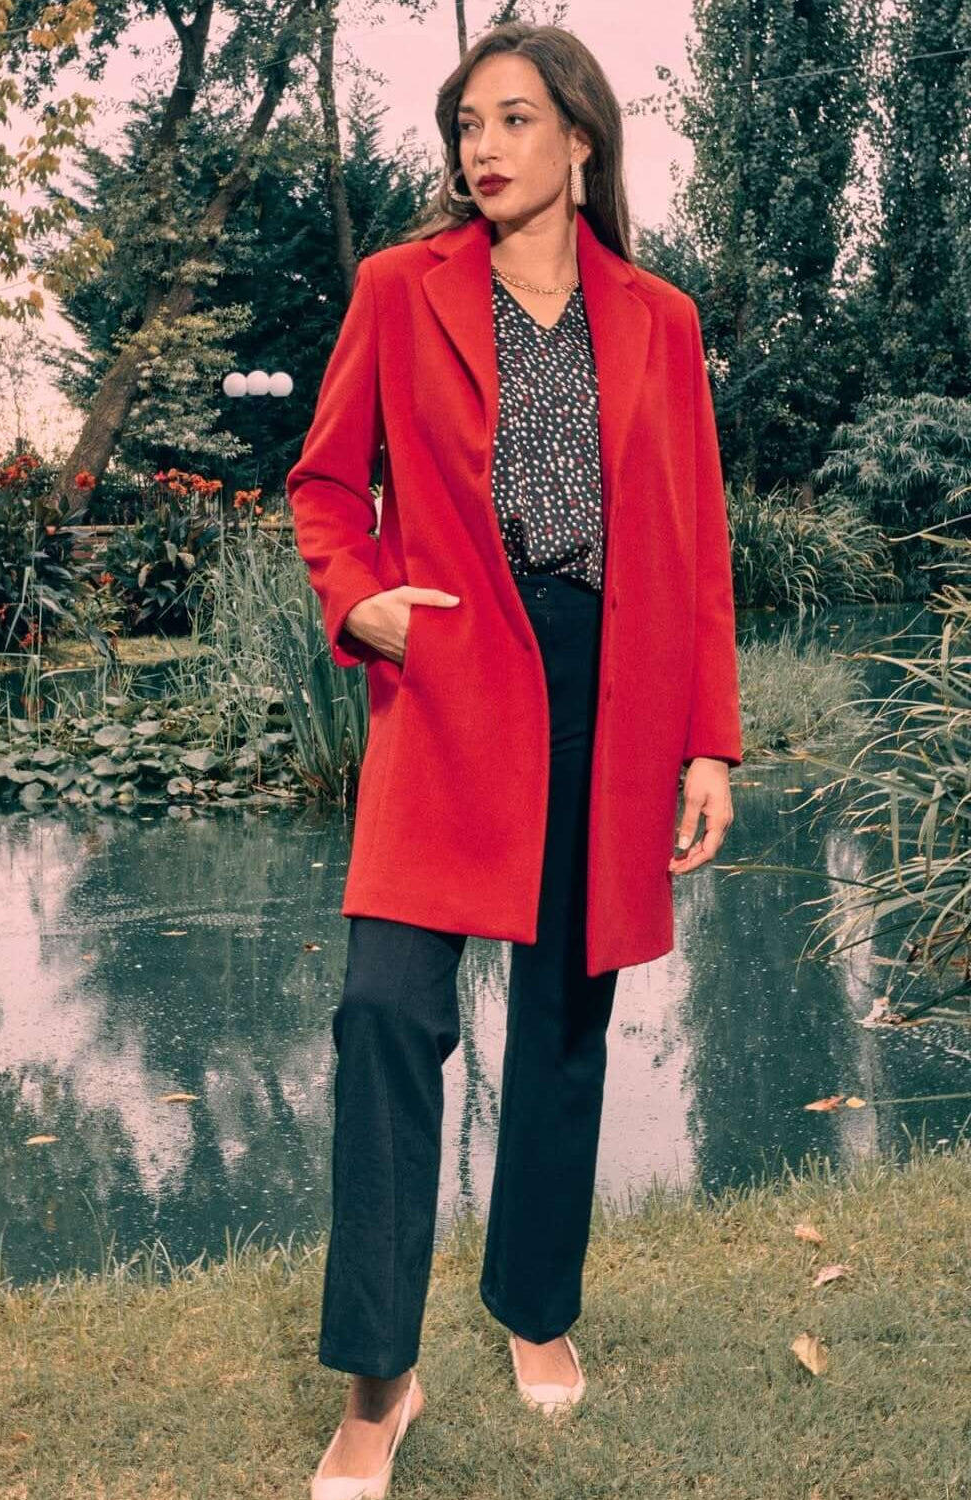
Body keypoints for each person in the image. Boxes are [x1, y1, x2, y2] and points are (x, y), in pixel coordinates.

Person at [285, 20, 742, 1499]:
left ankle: (536, 1305)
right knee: (383, 1009)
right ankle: (379, 1380)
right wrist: (359, 601)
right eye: (466, 124)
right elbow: (323, 484)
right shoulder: (399, 288)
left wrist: (709, 741)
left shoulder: (660, 319)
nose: (482, 147)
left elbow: (698, 538)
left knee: (560, 1022)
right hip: (449, 677)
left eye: (514, 119)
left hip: (612, 685)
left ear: (581, 139)